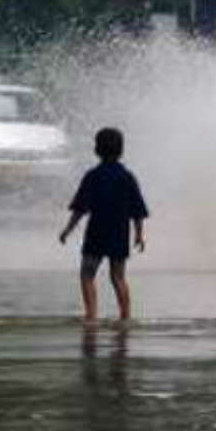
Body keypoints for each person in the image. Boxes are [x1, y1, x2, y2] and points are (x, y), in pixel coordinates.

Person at [59, 127, 149, 323]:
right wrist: (139, 235)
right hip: (119, 232)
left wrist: (68, 230)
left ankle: (91, 315)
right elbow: (138, 210)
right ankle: (125, 316)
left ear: (96, 149)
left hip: (97, 231)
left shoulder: (93, 176)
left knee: (87, 273)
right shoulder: (127, 177)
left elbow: (80, 209)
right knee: (118, 276)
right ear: (121, 150)